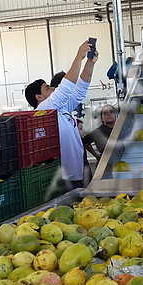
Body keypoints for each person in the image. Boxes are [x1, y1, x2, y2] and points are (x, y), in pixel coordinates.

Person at [24, 40, 97, 191]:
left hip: (76, 174)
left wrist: (90, 62)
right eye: (47, 88)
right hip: (64, 180)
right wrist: (79, 57)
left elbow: (80, 89)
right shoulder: (43, 110)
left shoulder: (61, 109)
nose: (52, 88)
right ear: (39, 97)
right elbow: (65, 88)